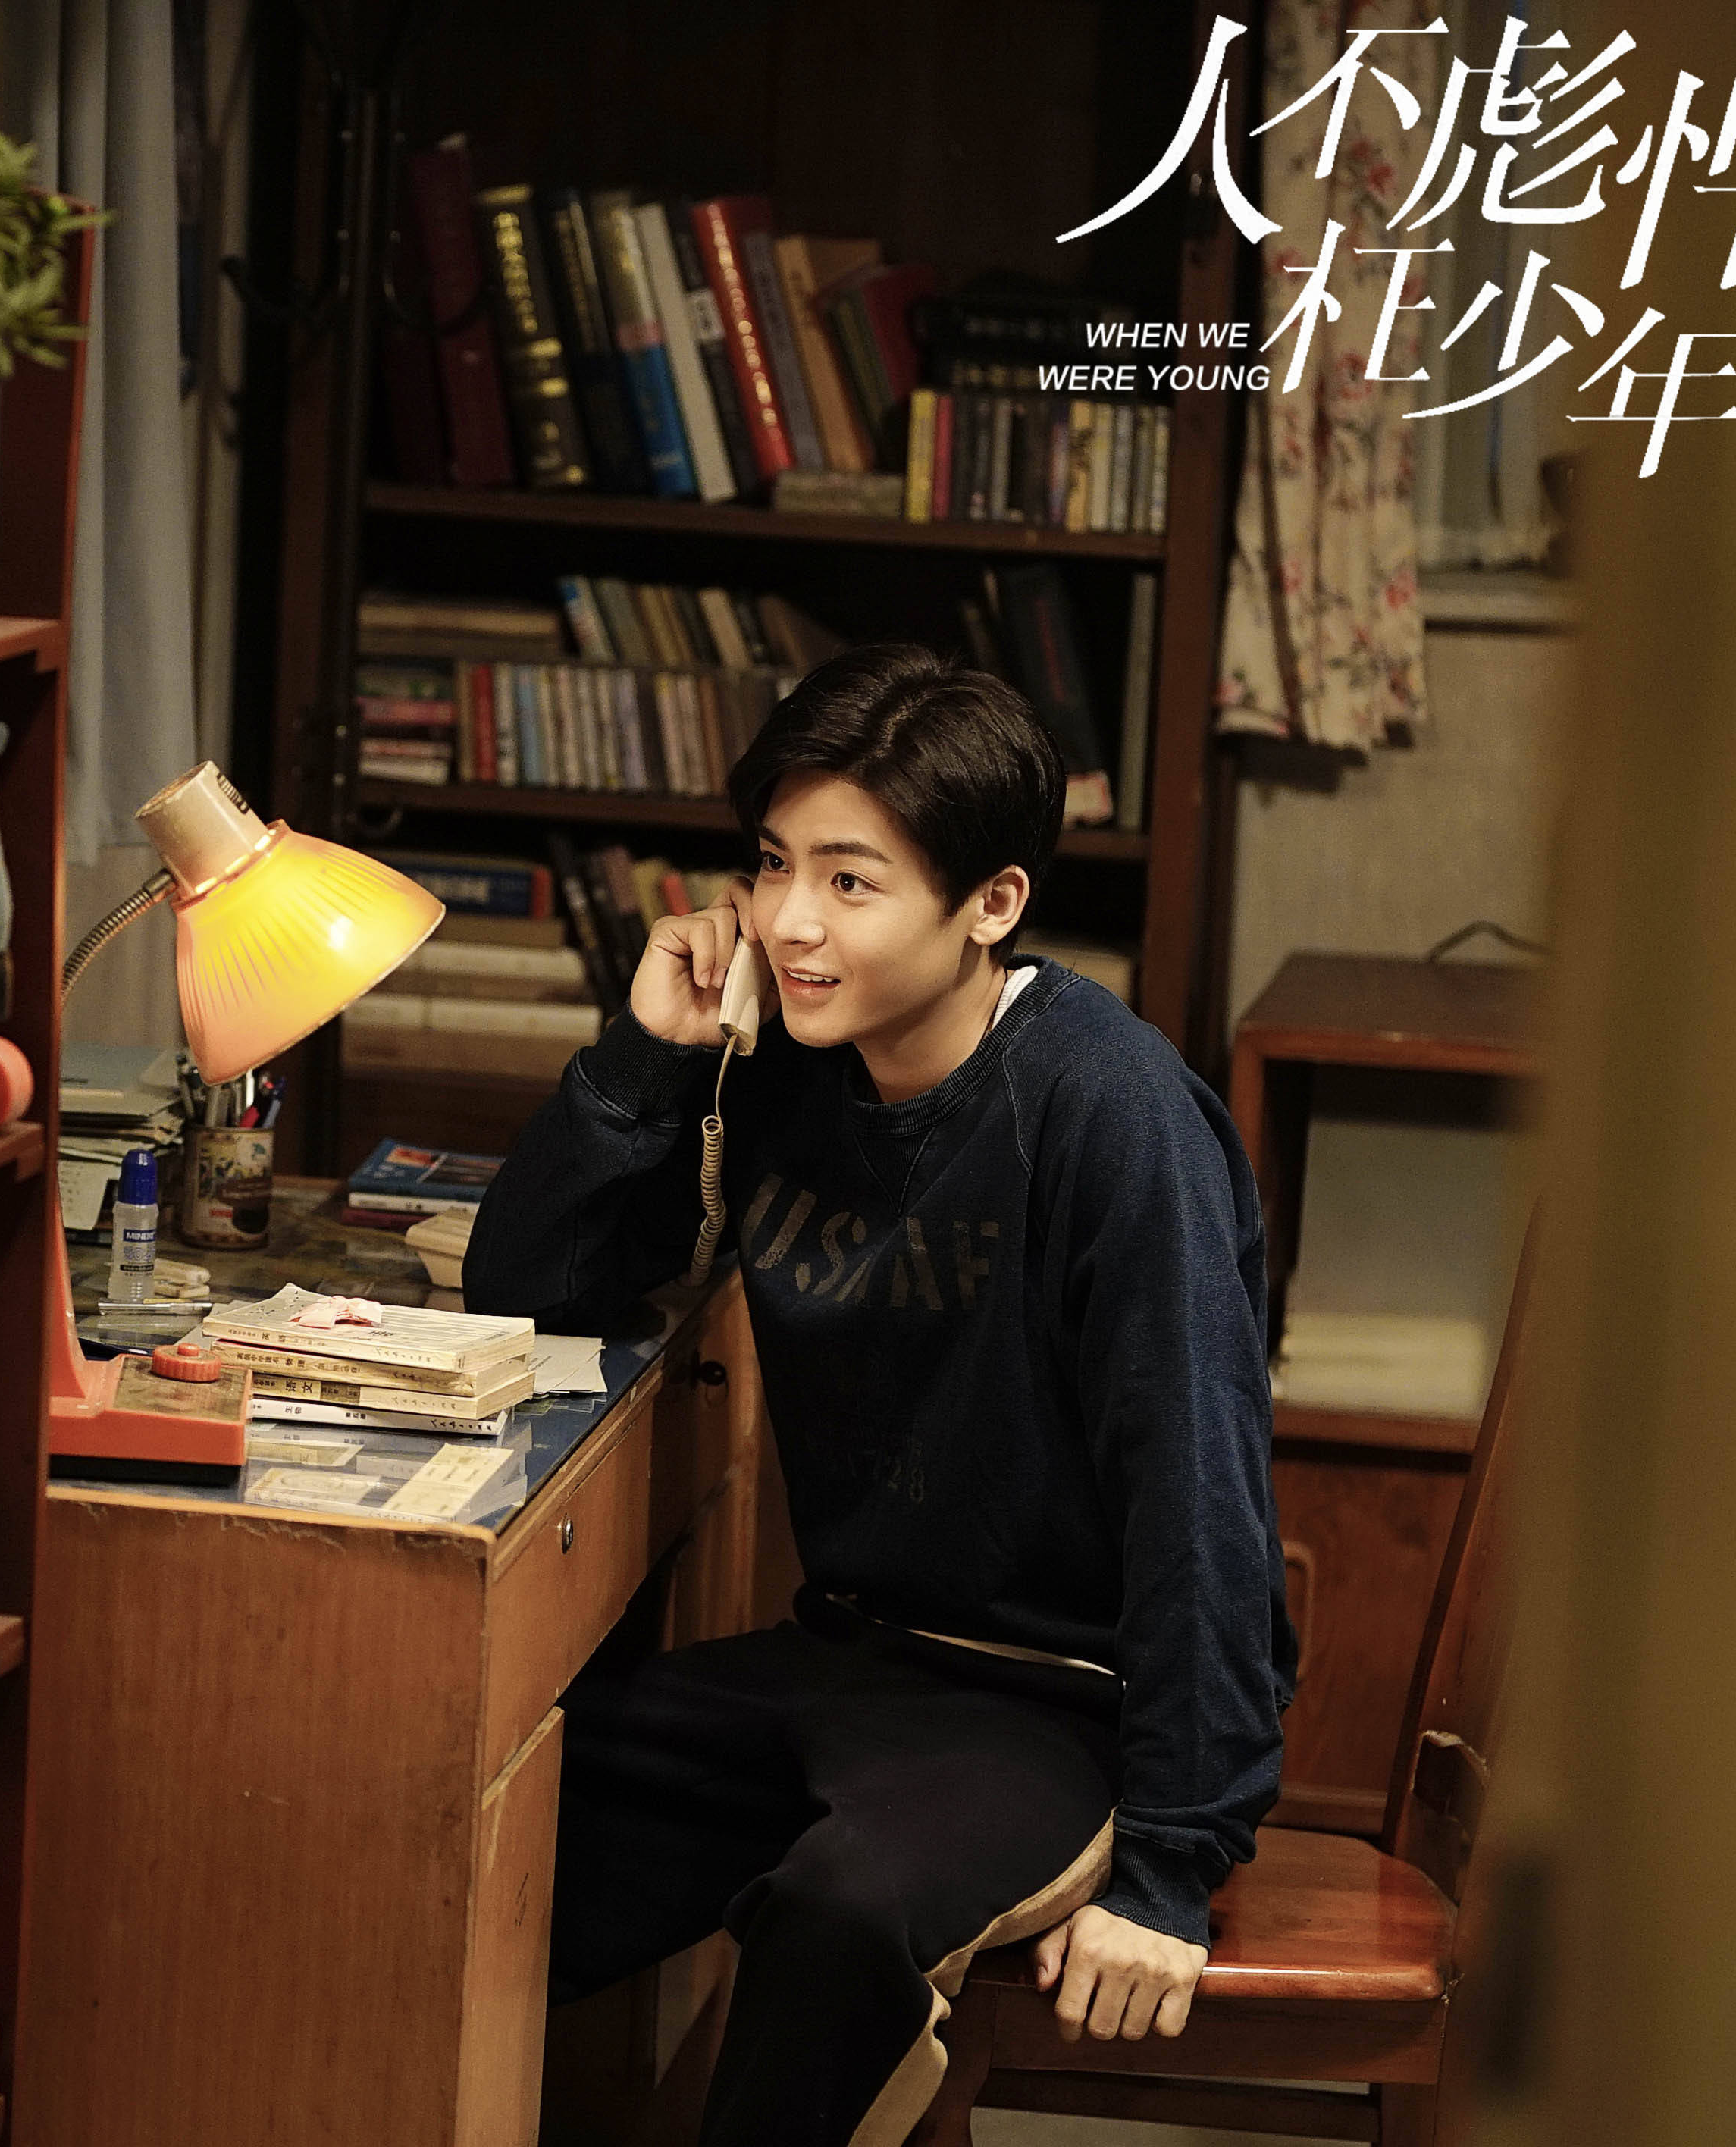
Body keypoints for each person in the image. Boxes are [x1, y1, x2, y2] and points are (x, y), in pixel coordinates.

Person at [463, 644, 1294, 2147]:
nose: (789, 921)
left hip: (1059, 1705)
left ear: (991, 903)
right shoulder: (785, 1061)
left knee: (840, 1916)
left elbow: (1199, 1495)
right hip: (846, 1657)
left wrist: (1173, 1866)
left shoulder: (1112, 1115)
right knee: (486, 1803)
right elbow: (529, 1294)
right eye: (773, 864)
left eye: (850, 881)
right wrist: (645, 1058)